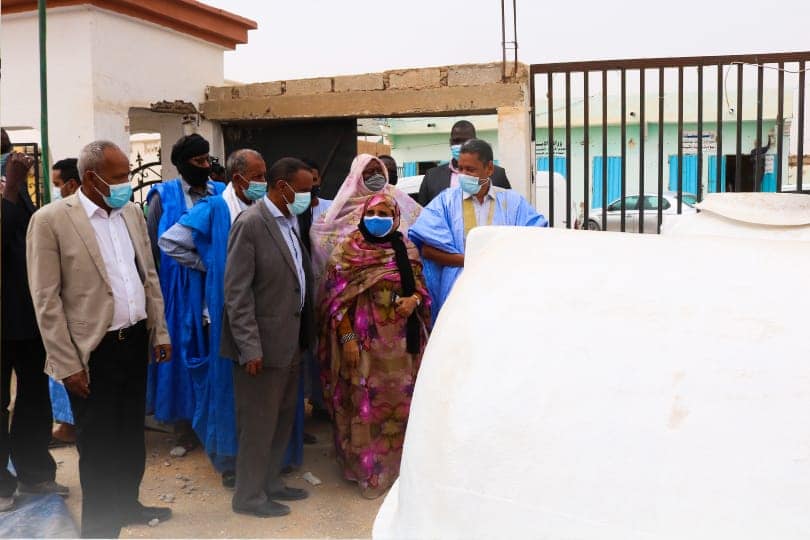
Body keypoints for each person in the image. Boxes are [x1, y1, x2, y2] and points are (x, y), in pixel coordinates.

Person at [26, 140, 173, 538]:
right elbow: (46, 300)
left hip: (134, 343)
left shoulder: (131, 213)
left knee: (130, 437)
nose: (127, 183)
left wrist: (159, 330)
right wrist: (68, 364)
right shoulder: (51, 220)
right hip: (93, 352)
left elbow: (148, 276)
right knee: (98, 446)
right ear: (91, 178)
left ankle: (128, 504)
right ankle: (100, 529)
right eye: (119, 177)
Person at [158, 149, 266, 489]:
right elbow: (170, 241)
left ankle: (255, 456)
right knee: (224, 389)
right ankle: (227, 459)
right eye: (258, 176)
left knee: (254, 391)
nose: (263, 182)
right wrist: (211, 264)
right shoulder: (215, 207)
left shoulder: (261, 206)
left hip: (259, 311)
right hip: (220, 314)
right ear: (239, 178)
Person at [319, 192, 432, 499]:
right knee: (364, 403)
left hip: (404, 345)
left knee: (404, 404)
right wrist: (347, 340)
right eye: (372, 212)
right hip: (363, 342)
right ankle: (368, 470)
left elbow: (421, 288)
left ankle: (403, 472)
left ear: (395, 218)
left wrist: (414, 300)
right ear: (362, 215)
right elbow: (334, 302)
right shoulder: (348, 250)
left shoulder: (406, 248)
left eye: (385, 213)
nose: (377, 218)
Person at [221, 157, 316, 518]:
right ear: (281, 187)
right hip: (261, 347)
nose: (309, 197)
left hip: (290, 341)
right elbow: (237, 293)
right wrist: (249, 347)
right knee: (258, 426)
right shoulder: (251, 224)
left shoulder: (290, 221)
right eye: (303, 190)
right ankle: (248, 496)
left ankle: (271, 482)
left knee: (281, 420)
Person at [408, 139, 547, 322]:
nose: (463, 175)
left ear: (489, 169)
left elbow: (535, 239)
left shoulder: (513, 203)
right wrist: (473, 261)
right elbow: (427, 250)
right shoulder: (445, 202)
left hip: (502, 291)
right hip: (457, 294)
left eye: (470, 170)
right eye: (460, 169)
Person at [146, 133, 225, 447]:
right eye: (198, 161)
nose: (205, 166)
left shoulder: (221, 192)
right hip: (178, 290)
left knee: (215, 350)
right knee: (182, 353)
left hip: (216, 286)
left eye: (207, 159)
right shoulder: (162, 196)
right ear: (181, 164)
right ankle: (184, 426)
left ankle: (215, 424)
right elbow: (153, 248)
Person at [1, 139, 67, 513]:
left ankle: (34, 472)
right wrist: (11, 188)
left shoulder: (18, 190)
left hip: (26, 316)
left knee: (34, 398)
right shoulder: (11, 188)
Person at [310, 154, 421, 287]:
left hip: (395, 283)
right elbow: (322, 235)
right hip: (351, 284)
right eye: (370, 171)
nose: (376, 175)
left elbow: (422, 224)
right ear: (357, 175)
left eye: (379, 171)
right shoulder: (343, 205)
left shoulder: (396, 196)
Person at [49, 158, 82, 444]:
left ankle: (70, 426)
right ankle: (67, 424)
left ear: (71, 185)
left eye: (57, 184)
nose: (55, 190)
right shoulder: (53, 219)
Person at [417, 120, 511, 206]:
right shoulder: (432, 176)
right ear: (450, 142)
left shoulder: (497, 174)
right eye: (456, 141)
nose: (461, 146)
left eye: (466, 141)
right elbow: (422, 212)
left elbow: (509, 208)